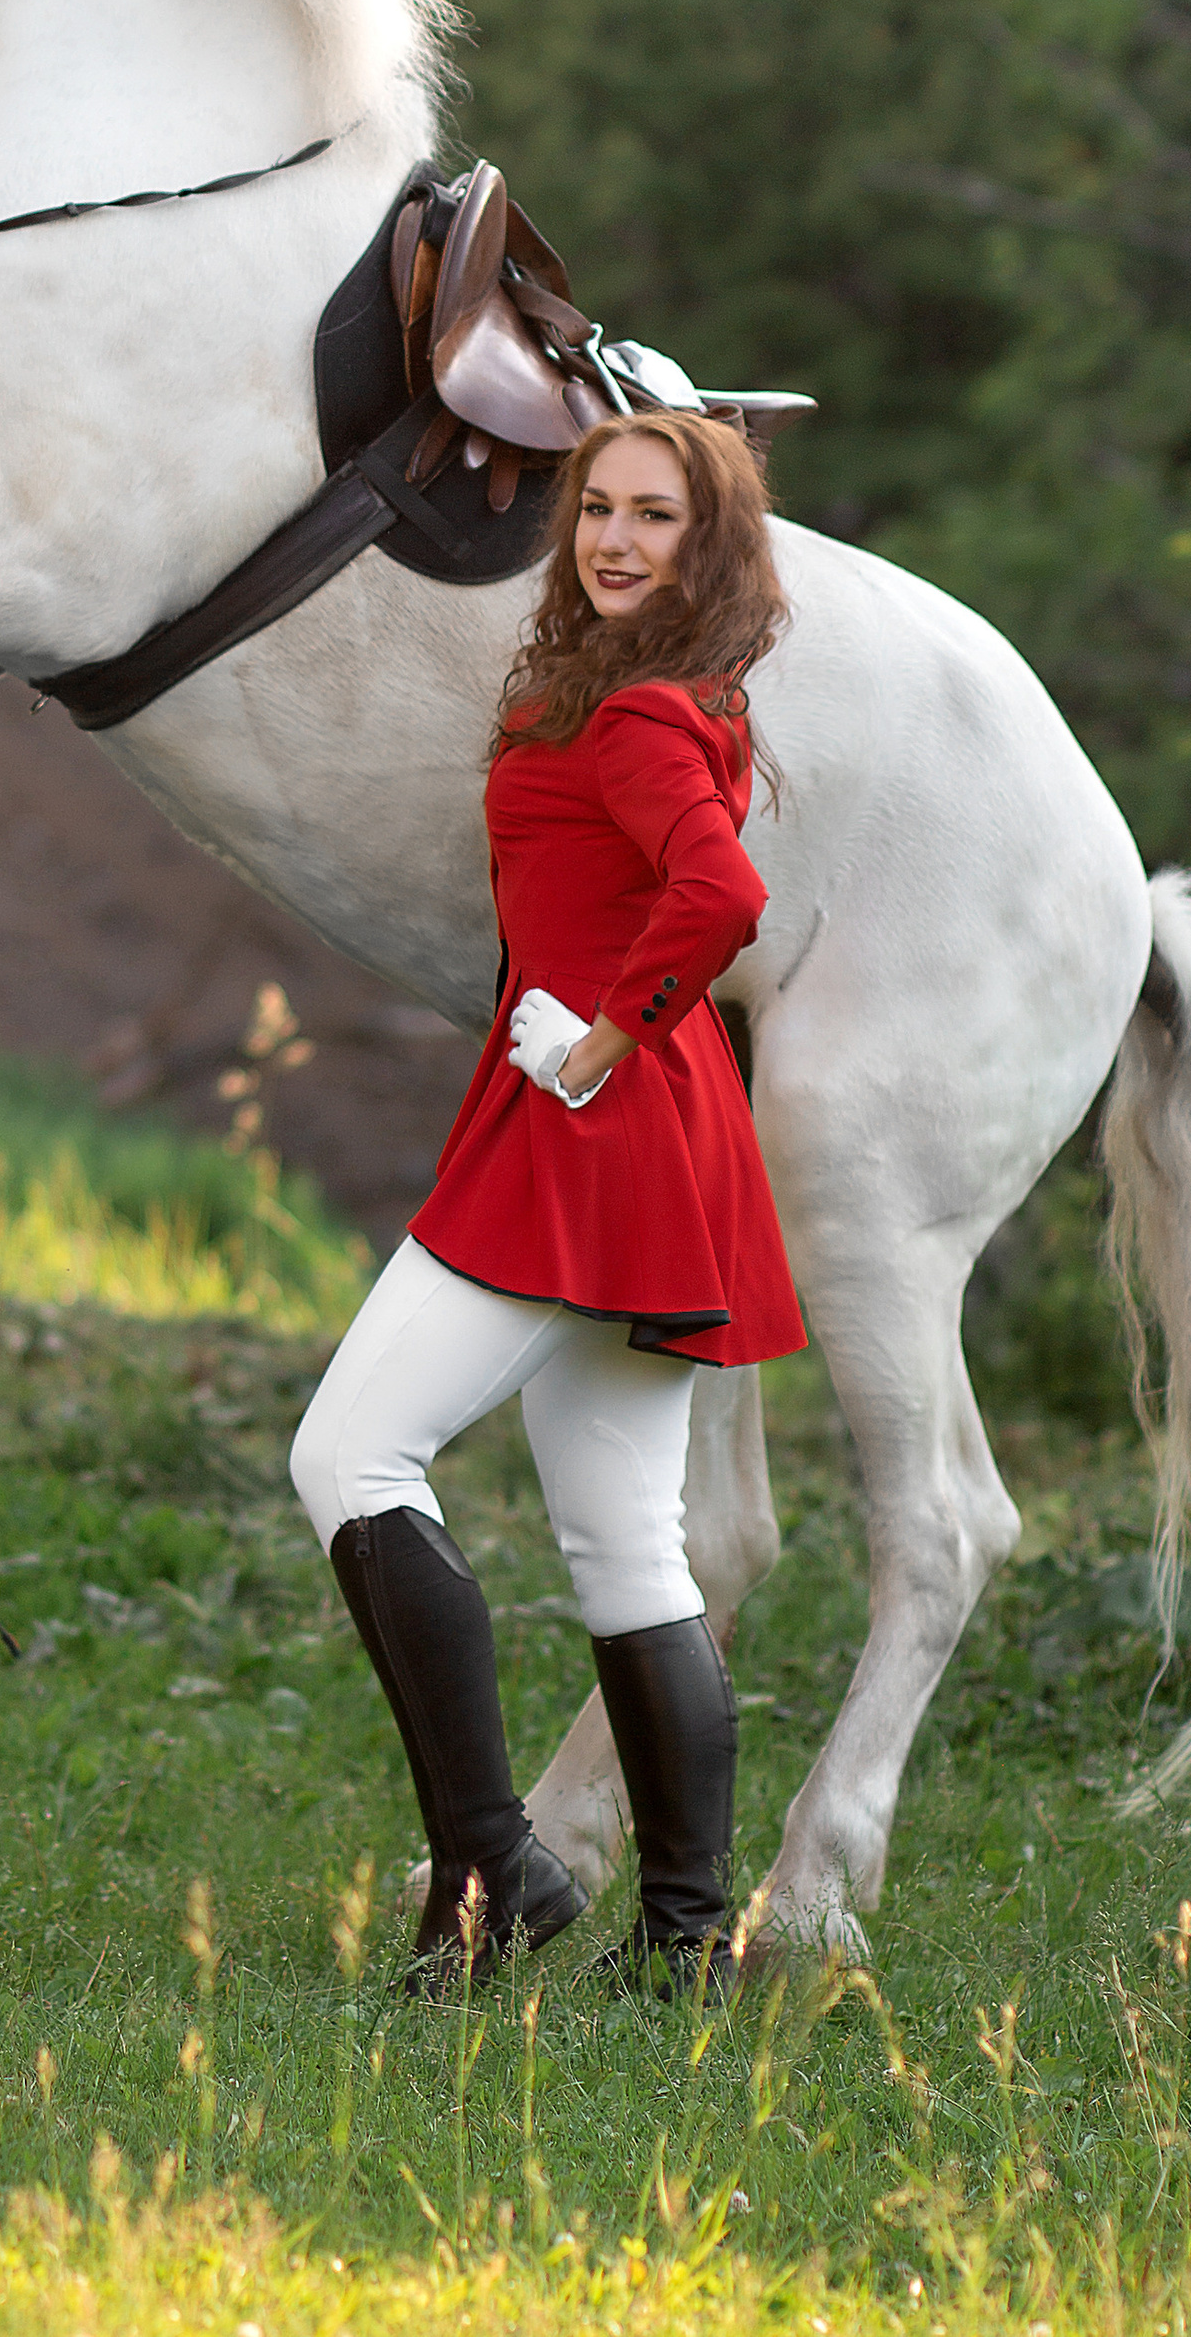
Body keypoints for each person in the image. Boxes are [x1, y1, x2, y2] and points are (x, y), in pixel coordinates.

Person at [290, 408, 805, 1995]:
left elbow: (723, 892)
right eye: (599, 508)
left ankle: (492, 1863)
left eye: (657, 516)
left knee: (349, 1452)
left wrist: (603, 1031)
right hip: (643, 1121)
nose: (618, 538)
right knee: (623, 1539)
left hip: (590, 1117)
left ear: (707, 544)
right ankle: (685, 1936)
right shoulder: (650, 691)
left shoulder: (641, 710)